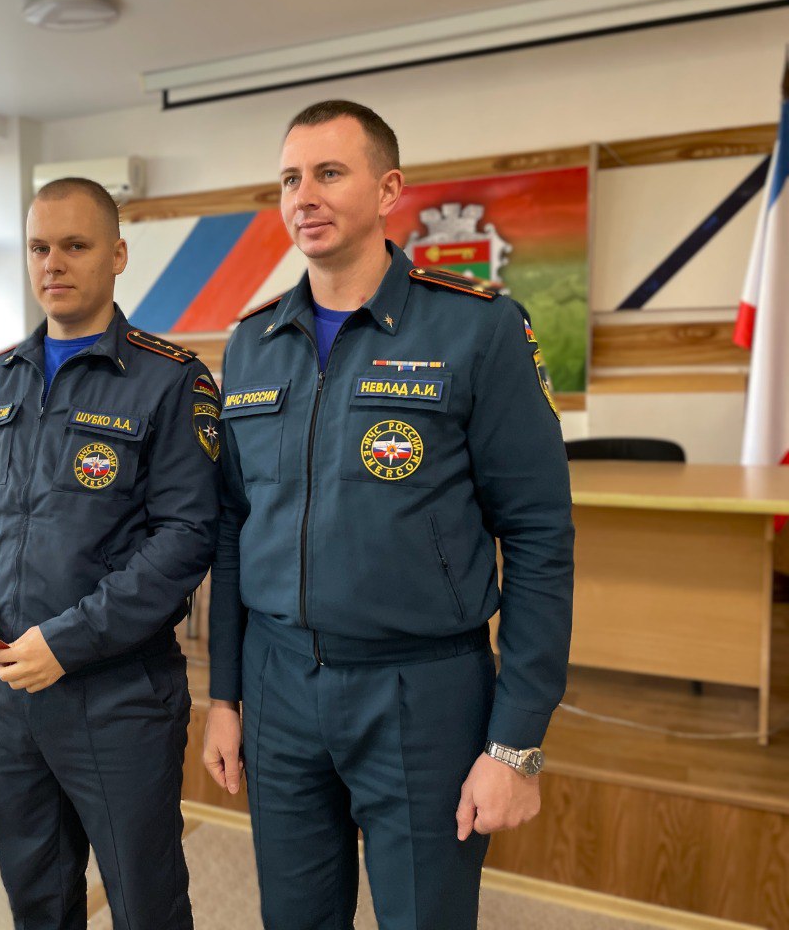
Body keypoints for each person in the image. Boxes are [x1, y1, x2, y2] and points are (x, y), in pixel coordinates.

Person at [202, 100, 574, 930]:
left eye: (330, 173)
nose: (306, 195)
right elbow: (232, 529)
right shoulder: (252, 344)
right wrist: (223, 694)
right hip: (276, 685)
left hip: (422, 689)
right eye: (291, 178)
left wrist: (515, 743)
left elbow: (542, 537)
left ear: (389, 188)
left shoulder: (477, 329)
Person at [0, 177, 220, 930]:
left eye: (75, 245)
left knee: (144, 903)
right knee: (36, 895)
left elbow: (187, 538)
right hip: (11, 691)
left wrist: (68, 642)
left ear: (118, 254)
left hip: (118, 695)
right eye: (39, 246)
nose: (53, 263)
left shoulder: (169, 380)